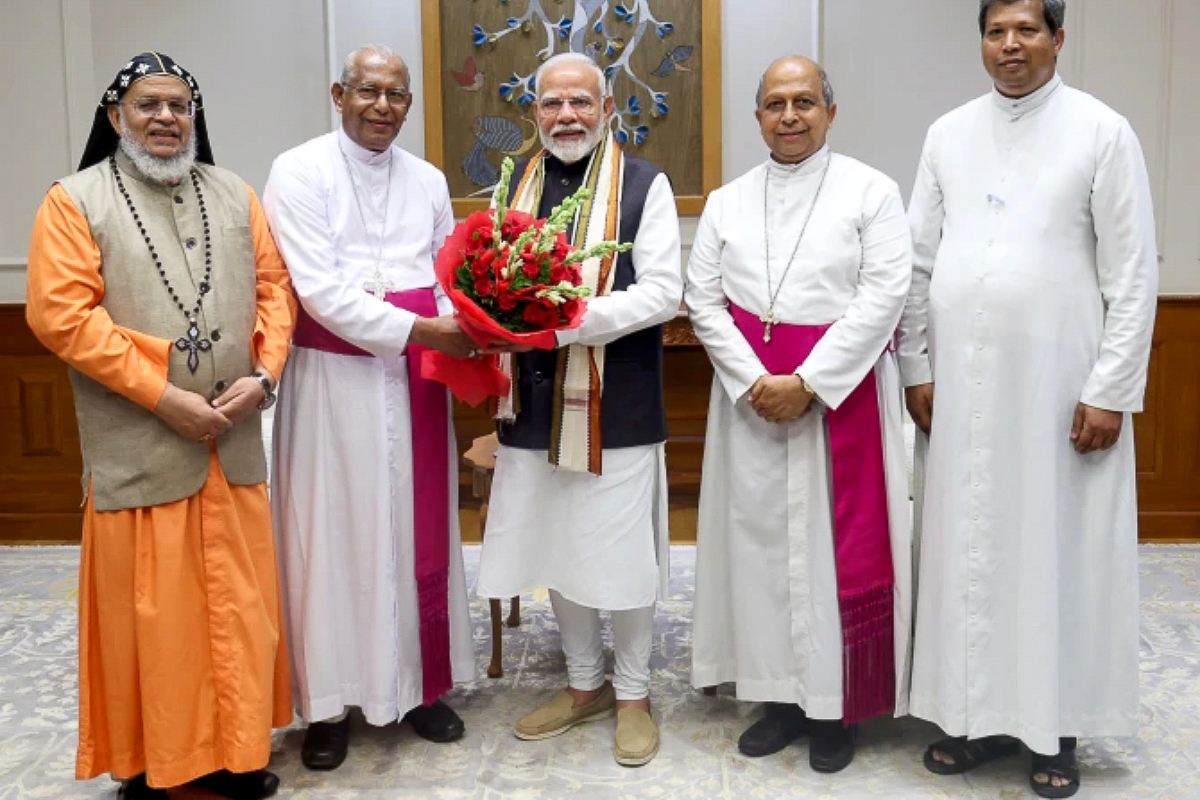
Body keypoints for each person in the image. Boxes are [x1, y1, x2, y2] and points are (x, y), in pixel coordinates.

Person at [897, 2, 1158, 796]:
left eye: (1027, 30)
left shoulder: (1102, 131)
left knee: (1052, 555)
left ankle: (1056, 730)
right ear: (982, 42)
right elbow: (915, 260)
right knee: (965, 551)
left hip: (1059, 391)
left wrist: (1110, 389)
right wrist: (916, 368)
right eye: (995, 31)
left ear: (1058, 39)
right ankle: (969, 720)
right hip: (959, 392)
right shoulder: (947, 133)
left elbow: (1134, 274)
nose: (1010, 46)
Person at [25, 52, 295, 799]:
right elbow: (62, 316)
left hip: (231, 445)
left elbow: (275, 291)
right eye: (149, 105)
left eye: (180, 106)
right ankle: (152, 768)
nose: (167, 119)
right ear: (115, 117)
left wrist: (263, 377)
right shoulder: (73, 202)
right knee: (156, 624)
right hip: (143, 450)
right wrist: (160, 394)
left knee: (239, 616)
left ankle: (234, 758)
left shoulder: (235, 193)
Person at [685, 56, 914, 774]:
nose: (790, 115)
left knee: (829, 551)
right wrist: (759, 381)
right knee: (760, 553)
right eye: (776, 103)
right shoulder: (727, 201)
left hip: (837, 400)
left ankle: (837, 708)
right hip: (753, 402)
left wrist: (810, 382)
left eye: (805, 102)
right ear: (757, 117)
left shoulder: (871, 192)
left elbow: (886, 294)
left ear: (830, 112)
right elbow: (704, 300)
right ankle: (778, 698)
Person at [263, 44, 475, 771]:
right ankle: (329, 703)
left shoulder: (428, 179)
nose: (383, 106)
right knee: (330, 537)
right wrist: (421, 327)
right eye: (369, 91)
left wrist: (470, 322)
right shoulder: (298, 169)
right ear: (338, 92)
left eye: (397, 95)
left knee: (416, 533)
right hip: (331, 382)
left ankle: (419, 689)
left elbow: (448, 271)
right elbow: (317, 289)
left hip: (415, 382)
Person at [475, 52, 682, 767]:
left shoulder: (644, 186)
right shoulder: (512, 189)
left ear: (607, 106)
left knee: (618, 556)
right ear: (534, 112)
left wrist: (561, 320)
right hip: (530, 403)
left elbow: (661, 293)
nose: (567, 116)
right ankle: (584, 684)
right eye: (552, 104)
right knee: (559, 545)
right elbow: (485, 282)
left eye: (580, 103)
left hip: (616, 403)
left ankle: (632, 693)